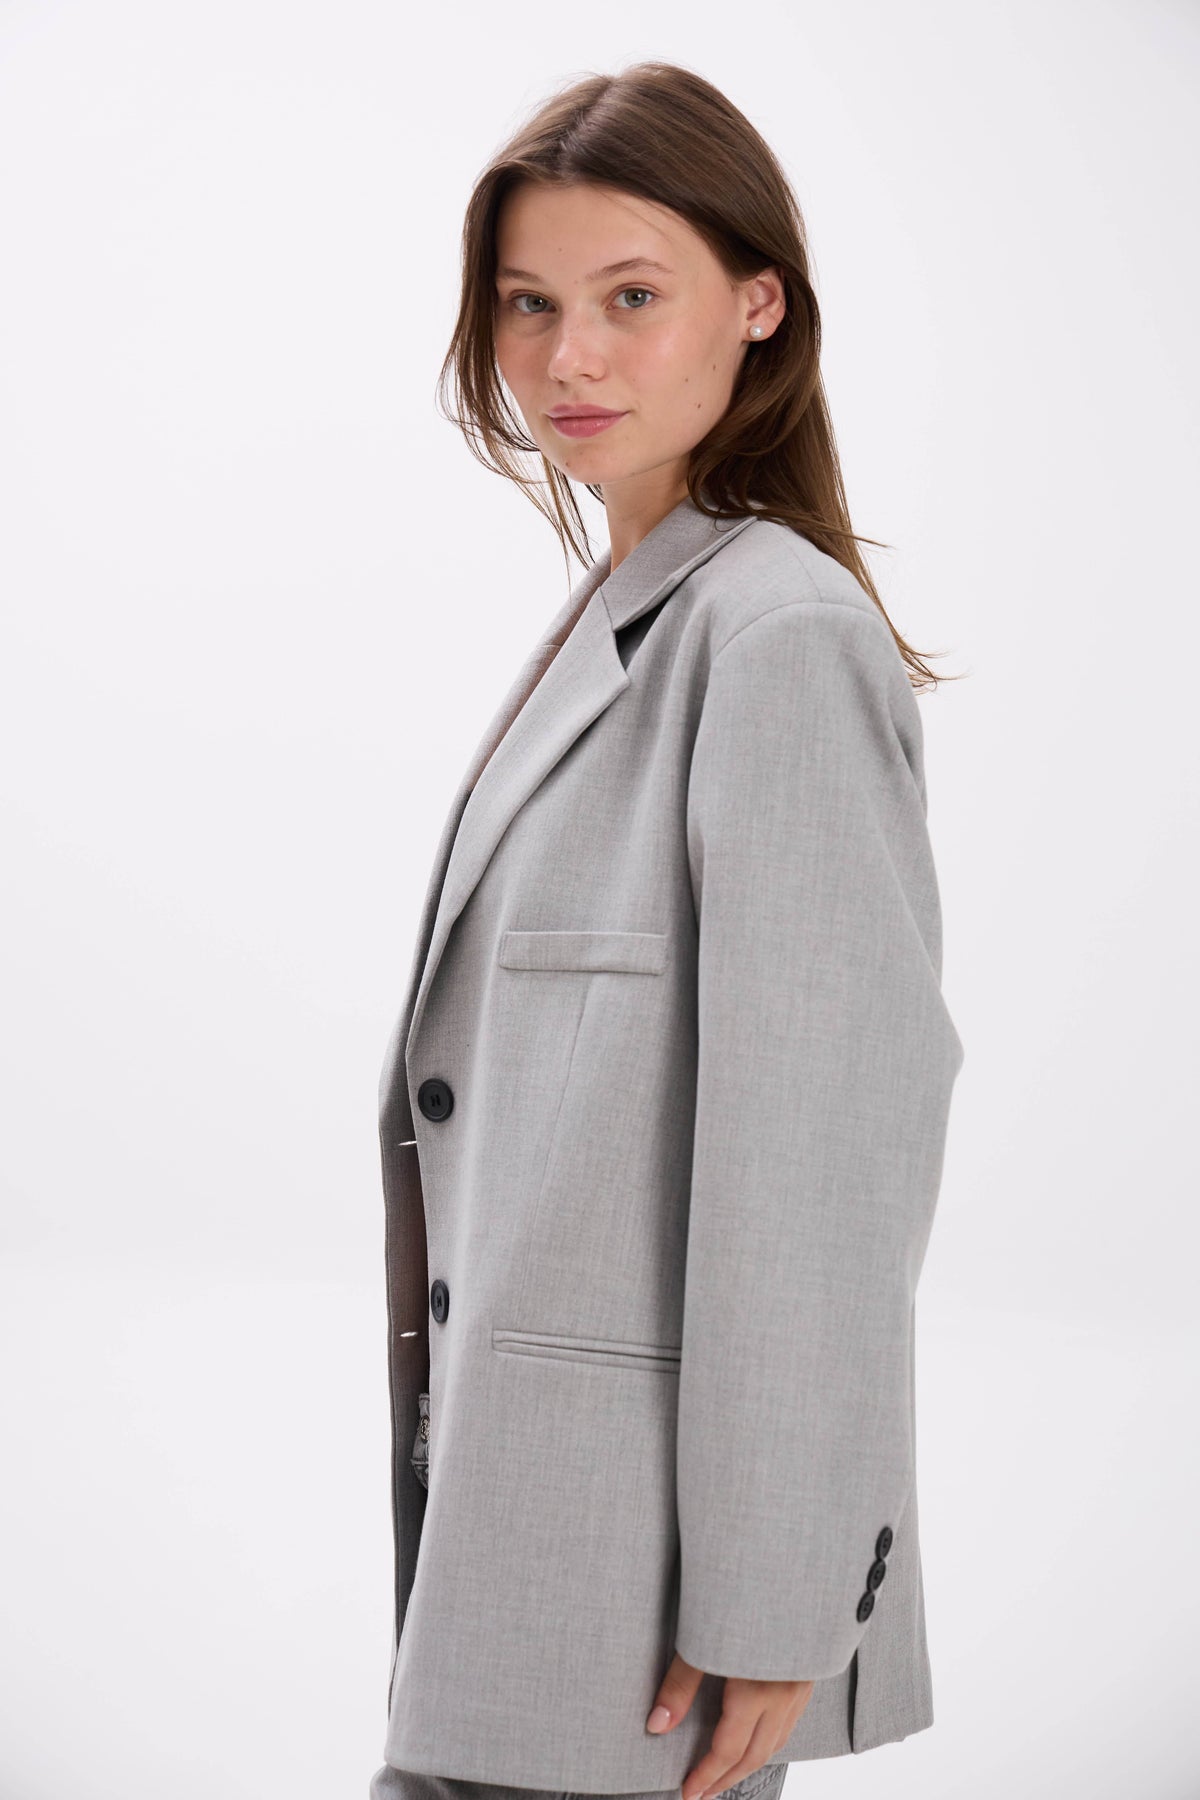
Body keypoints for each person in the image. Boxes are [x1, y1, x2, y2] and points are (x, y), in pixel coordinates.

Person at [369, 58, 965, 1800]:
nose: (570, 360)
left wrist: (780, 1594)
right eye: (529, 306)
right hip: (523, 1531)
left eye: (634, 298)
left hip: (654, 1598)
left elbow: (823, 1155)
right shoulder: (633, 613)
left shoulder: (775, 641)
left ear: (758, 305)